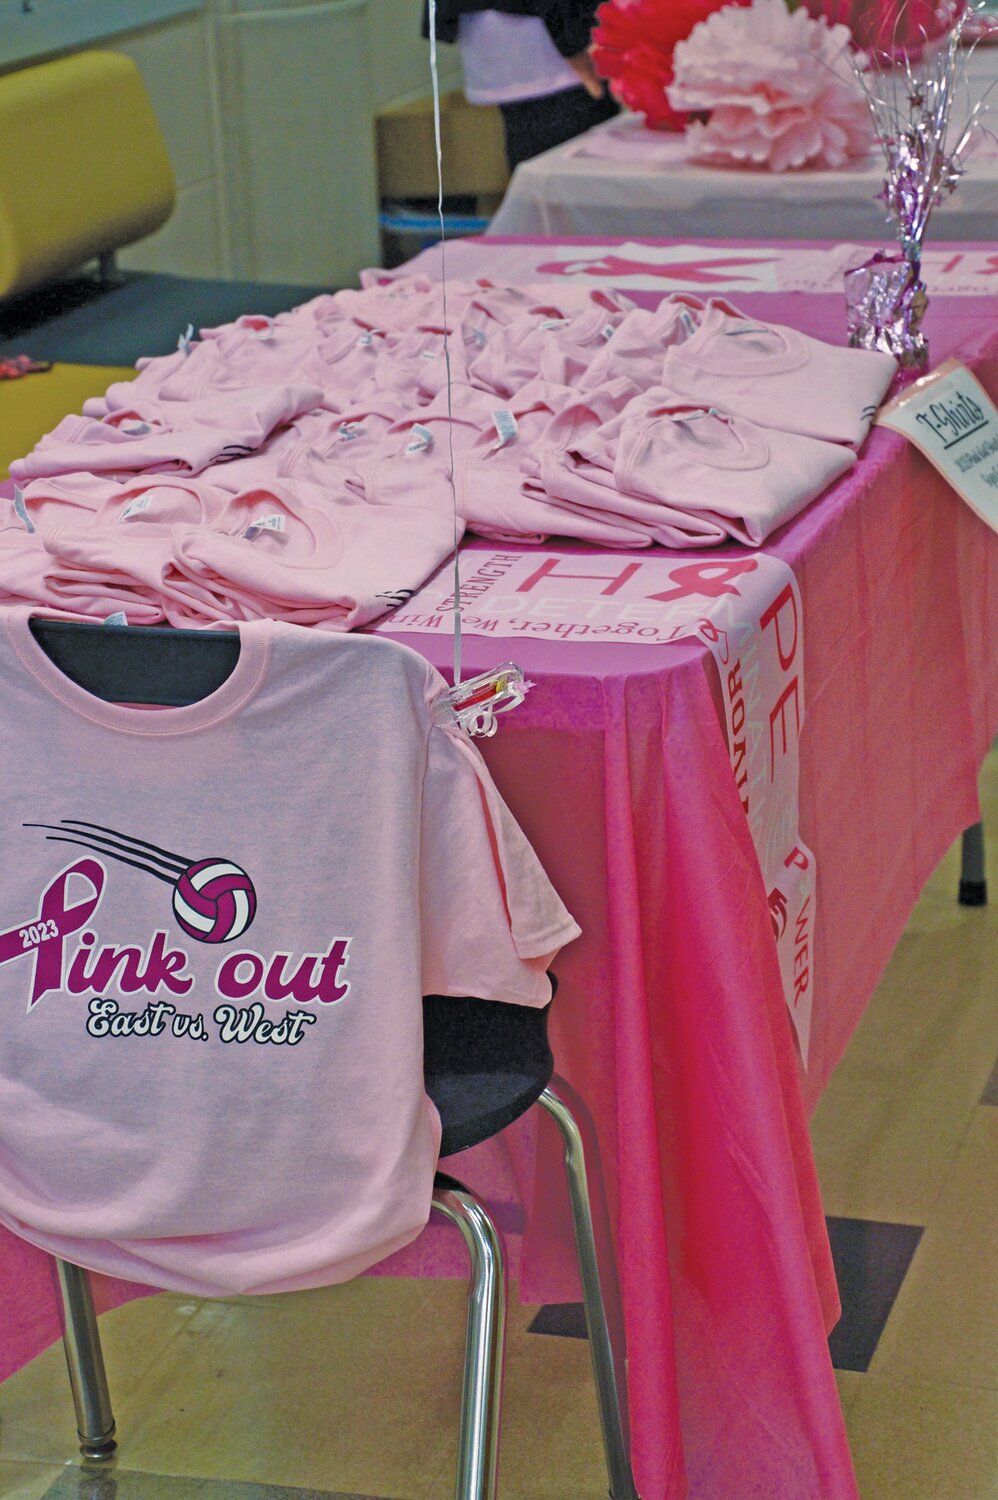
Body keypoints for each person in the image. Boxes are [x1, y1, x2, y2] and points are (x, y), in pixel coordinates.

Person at [428, 1, 619, 171]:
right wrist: (574, 38)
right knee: (580, 169)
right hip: (545, 28)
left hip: (507, 25)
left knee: (536, 156)